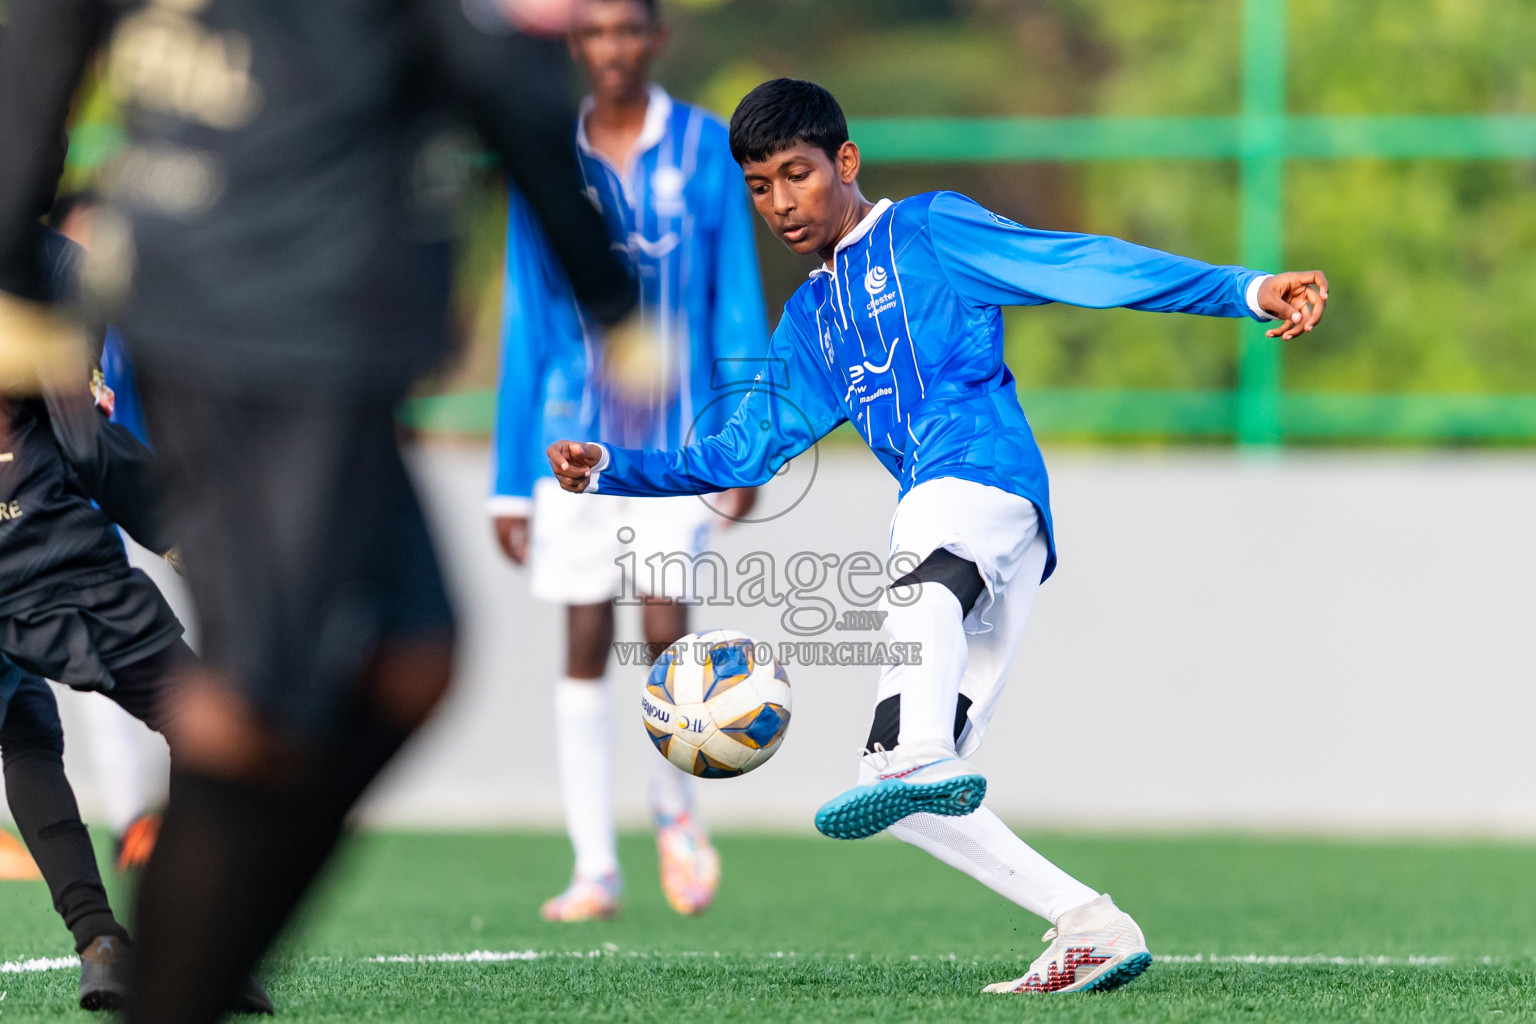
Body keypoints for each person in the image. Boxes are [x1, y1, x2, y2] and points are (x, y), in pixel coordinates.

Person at [547, 78, 1329, 995]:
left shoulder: (929, 232)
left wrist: (1245, 290)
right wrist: (613, 467)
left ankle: (920, 744)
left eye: (796, 175)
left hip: (984, 489)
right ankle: (1090, 922)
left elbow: (1081, 263)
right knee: (898, 787)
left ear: (845, 162)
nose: (781, 203)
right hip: (966, 548)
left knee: (919, 545)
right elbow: (745, 448)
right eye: (760, 187)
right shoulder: (808, 322)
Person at [0, 3, 633, 1021]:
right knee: (246, 710)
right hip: (253, 331)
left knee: (405, 661)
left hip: (327, 334)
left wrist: (609, 300)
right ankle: (169, 977)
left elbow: (498, 75)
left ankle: (177, 972)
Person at [490, 0, 768, 921]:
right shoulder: (542, 144)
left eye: (626, 30)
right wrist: (506, 480)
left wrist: (746, 438)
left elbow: (735, 297)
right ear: (576, 44)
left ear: (656, 39)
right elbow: (526, 314)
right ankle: (593, 867)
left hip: (675, 440)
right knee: (579, 638)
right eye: (594, 32)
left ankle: (675, 810)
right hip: (568, 440)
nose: (610, 48)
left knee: (660, 622)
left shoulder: (705, 150)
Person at [0, 215, 271, 1013]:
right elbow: (85, 447)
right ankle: (201, 948)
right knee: (202, 720)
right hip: (47, 549)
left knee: (24, 729)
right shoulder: (53, 262)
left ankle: (102, 940)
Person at [51, 189, 165, 874]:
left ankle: (132, 821)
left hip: (88, 523)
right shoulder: (34, 303)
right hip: (30, 519)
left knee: (103, 674)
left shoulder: (128, 327)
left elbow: (128, 433)